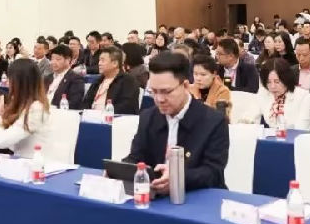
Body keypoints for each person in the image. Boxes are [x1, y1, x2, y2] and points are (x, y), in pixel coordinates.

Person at [124, 52, 229, 192]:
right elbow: (136, 157)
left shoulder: (213, 121)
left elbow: (213, 173)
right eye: (154, 91)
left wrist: (177, 177)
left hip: (198, 195)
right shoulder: (148, 117)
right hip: (156, 194)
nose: (159, 99)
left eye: (166, 92)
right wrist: (119, 171)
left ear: (185, 86)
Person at [0, 58, 53, 158]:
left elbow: (0, 142)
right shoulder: (24, 104)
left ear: (19, 83)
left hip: (35, 162)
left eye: (10, 79)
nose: (7, 83)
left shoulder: (36, 109)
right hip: (22, 159)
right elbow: (11, 141)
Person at [81, 46, 140, 114]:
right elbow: (86, 102)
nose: (99, 63)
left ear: (115, 63)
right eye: (99, 60)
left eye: (103, 60)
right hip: (92, 117)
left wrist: (103, 114)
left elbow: (126, 107)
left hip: (113, 118)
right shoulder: (98, 81)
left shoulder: (128, 81)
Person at [258, 58, 310, 130]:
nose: (272, 86)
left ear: (286, 79)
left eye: (277, 82)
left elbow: (301, 129)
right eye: (268, 82)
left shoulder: (304, 97)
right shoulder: (263, 92)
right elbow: (252, 118)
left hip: (294, 136)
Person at [44, 44, 85, 109]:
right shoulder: (47, 78)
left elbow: (74, 103)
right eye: (52, 59)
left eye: (58, 59)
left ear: (68, 60)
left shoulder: (76, 79)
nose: (53, 62)